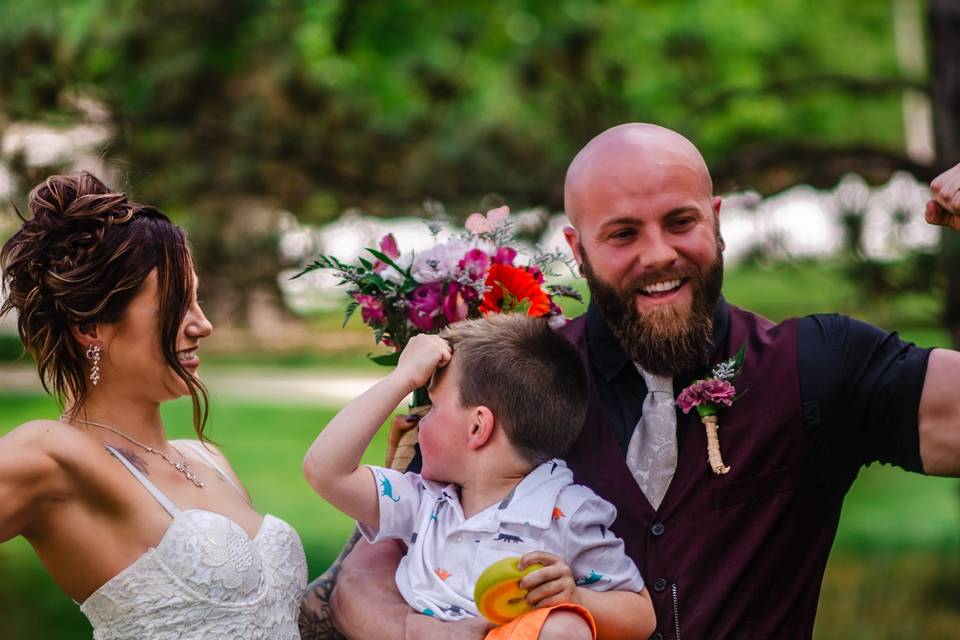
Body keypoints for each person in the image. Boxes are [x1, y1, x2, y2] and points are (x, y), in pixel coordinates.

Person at [320, 126, 960, 640]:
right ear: (577, 249)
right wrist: (419, 630)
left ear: (715, 218)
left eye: (680, 222)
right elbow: (361, 574)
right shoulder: (515, 378)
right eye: (623, 233)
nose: (658, 253)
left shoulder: (820, 364)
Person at [0, 173, 307, 639]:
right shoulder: (53, 454)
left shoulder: (210, 459)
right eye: (175, 303)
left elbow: (273, 619)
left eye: (197, 298)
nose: (202, 324)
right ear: (92, 326)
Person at [303, 314, 655, 640]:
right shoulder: (422, 501)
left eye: (434, 407)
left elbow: (641, 616)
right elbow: (325, 471)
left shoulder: (566, 513)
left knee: (564, 628)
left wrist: (575, 596)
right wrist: (400, 378)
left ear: (477, 427)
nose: (421, 422)